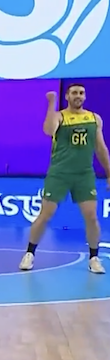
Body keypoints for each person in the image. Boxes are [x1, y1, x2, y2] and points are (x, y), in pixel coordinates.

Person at [20, 84, 110, 273]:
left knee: (92, 217)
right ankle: (29, 253)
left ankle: (94, 257)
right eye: (74, 93)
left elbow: (100, 148)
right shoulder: (60, 116)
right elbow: (48, 130)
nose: (78, 96)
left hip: (84, 174)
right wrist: (52, 102)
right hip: (59, 173)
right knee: (45, 215)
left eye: (81, 93)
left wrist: (109, 173)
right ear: (67, 96)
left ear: (85, 97)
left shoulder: (94, 119)